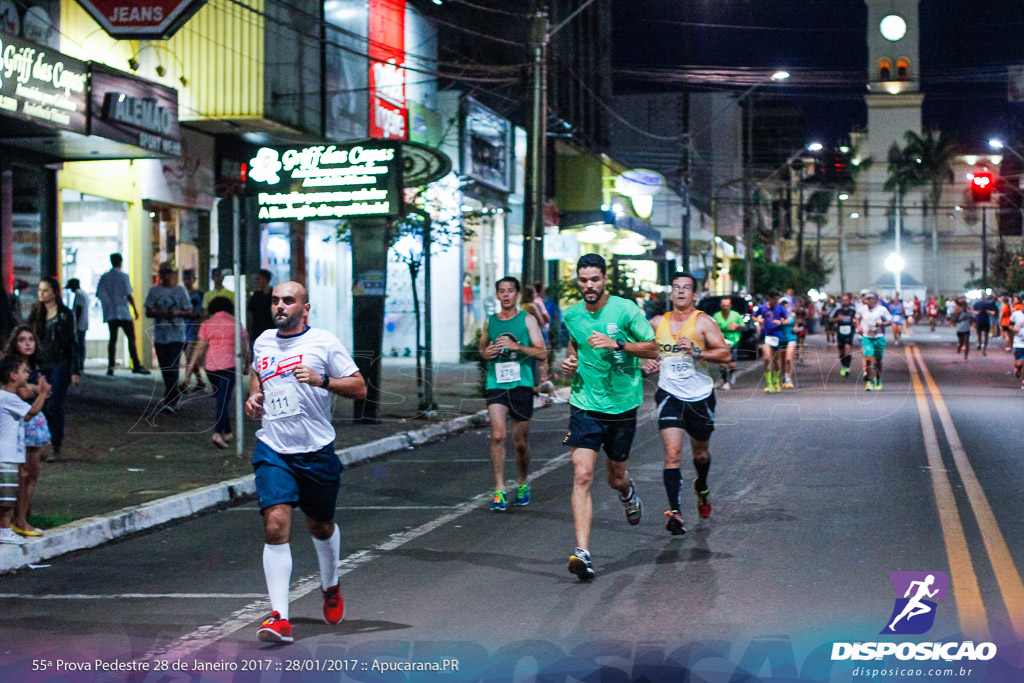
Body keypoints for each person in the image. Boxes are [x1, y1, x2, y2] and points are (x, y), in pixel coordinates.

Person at [244, 281, 366, 642]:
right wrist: (254, 396)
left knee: (321, 525)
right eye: (275, 301)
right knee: (276, 524)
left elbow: (360, 387)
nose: (280, 306)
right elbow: (257, 372)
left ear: (305, 308)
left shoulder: (324, 342)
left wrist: (321, 379)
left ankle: (330, 585)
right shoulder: (264, 340)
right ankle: (279, 616)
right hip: (273, 447)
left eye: (288, 301)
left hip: (315, 451)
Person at [560, 253, 657, 581]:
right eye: (584, 280)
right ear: (579, 280)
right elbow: (575, 346)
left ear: (605, 280)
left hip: (622, 404)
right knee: (582, 474)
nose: (589, 286)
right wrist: (570, 361)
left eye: (595, 280)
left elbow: (654, 347)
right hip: (585, 402)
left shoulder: (626, 309)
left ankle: (628, 494)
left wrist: (617, 343)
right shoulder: (571, 315)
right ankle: (582, 553)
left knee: (615, 477)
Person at [644, 272, 730, 536]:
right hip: (669, 394)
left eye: (686, 288)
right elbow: (645, 349)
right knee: (672, 455)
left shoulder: (703, 322)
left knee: (700, 454)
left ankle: (701, 487)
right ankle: (675, 513)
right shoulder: (657, 322)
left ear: (694, 295)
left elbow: (725, 354)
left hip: (700, 397)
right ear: (670, 294)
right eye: (676, 288)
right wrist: (646, 362)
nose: (681, 292)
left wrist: (696, 352)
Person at [478, 277, 547, 511]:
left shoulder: (527, 320)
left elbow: (542, 353)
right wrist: (487, 352)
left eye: (510, 291)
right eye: (501, 291)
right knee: (498, 435)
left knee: (520, 441)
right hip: (496, 383)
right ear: (497, 295)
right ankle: (499, 490)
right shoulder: (490, 322)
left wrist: (517, 347)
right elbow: (482, 349)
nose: (506, 295)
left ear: (517, 294)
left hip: (521, 384)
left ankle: (522, 482)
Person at [3, 326, 51, 536]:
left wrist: (34, 390)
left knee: (33, 472)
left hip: (36, 421)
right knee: (21, 473)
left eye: (31, 339)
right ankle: (17, 520)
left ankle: (22, 516)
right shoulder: (11, 366)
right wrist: (36, 390)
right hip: (22, 421)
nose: (28, 343)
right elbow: (20, 394)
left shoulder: (36, 366)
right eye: (22, 340)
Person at [28, 277, 81, 462]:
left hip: (61, 363)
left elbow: (72, 343)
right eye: (40, 290)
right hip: (42, 364)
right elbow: (29, 337)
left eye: (45, 291)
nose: (41, 294)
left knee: (54, 404)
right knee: (40, 404)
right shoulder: (36, 313)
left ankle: (55, 446)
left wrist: (75, 369)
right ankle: (46, 441)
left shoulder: (65, 314)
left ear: (55, 293)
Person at [186, 296, 249, 449]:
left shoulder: (207, 324)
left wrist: (189, 371)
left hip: (211, 367)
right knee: (223, 400)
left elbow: (200, 347)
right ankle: (217, 433)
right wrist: (247, 364)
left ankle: (227, 432)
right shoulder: (235, 323)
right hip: (229, 365)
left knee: (222, 399)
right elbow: (245, 346)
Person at [144, 263, 192, 414]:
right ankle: (172, 393)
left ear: (173, 274)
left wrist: (175, 314)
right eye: (162, 272)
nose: (165, 275)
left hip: (176, 335)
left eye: (168, 272)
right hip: (160, 336)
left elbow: (188, 311)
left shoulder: (180, 291)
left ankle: (171, 399)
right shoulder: (154, 291)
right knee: (165, 367)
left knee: (173, 366)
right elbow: (148, 311)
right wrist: (160, 314)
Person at [95, 253, 148, 376]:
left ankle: (111, 366)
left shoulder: (105, 277)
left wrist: (107, 305)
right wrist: (135, 310)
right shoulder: (124, 276)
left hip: (111, 313)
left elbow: (99, 294)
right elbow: (129, 294)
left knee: (112, 340)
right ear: (120, 262)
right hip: (123, 312)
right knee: (131, 338)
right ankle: (136, 364)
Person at [855, 292, 892, 390]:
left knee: (878, 360)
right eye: (866, 299)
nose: (866, 301)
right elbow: (857, 319)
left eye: (869, 299)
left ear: (874, 300)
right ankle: (868, 381)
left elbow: (889, 322)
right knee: (868, 358)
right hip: (867, 338)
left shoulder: (881, 310)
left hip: (879, 337)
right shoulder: (862, 310)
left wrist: (881, 324)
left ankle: (878, 378)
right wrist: (858, 327)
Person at [180, 269, 207, 393]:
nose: (187, 281)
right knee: (190, 356)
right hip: (182, 328)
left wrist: (199, 322)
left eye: (189, 278)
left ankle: (186, 382)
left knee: (190, 355)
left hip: (194, 328)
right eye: (185, 278)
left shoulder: (199, 295)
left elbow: (203, 311)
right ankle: (200, 382)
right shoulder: (181, 294)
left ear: (194, 279)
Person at [754, 291, 785, 393]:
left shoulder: (780, 308)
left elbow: (787, 319)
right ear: (769, 298)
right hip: (766, 336)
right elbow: (753, 316)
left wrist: (781, 322)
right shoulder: (762, 307)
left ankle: (776, 380)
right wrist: (759, 320)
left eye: (777, 299)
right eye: (774, 299)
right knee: (767, 358)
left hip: (777, 336)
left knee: (776, 361)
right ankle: (768, 383)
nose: (776, 301)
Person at [712, 297, 743, 390]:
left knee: (732, 364)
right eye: (723, 305)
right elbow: (712, 327)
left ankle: (731, 375)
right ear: (720, 306)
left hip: (733, 341)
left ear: (730, 306)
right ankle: (725, 381)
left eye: (727, 305)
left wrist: (737, 326)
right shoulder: (716, 316)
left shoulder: (736, 315)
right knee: (722, 363)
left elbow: (742, 326)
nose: (725, 307)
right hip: (721, 342)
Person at [830, 293, 858, 377]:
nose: (844, 302)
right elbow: (830, 319)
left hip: (850, 331)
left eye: (846, 300)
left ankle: (847, 367)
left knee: (848, 348)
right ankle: (844, 366)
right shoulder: (837, 309)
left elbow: (858, 318)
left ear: (849, 300)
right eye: (843, 300)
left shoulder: (853, 310)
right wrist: (837, 319)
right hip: (840, 331)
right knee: (841, 351)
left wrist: (855, 322)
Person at [66, 278, 89, 372]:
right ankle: (80, 364)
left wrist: (75, 324)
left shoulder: (79, 294)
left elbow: (78, 310)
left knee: (78, 346)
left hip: (79, 324)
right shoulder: (83, 293)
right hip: (83, 323)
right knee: (81, 345)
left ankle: (79, 365)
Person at [248, 269, 275, 348]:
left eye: (258, 279)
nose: (257, 282)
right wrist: (250, 330)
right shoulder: (256, 296)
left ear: (266, 280)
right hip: (258, 330)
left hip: (272, 329)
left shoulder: (274, 295)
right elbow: (251, 314)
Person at [1009, 303, 1024, 389]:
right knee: (1019, 363)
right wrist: (1014, 329)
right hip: (1019, 343)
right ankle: (1017, 368)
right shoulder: (1016, 314)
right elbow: (1010, 325)